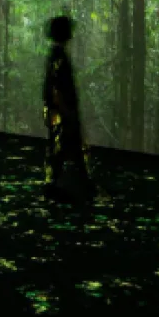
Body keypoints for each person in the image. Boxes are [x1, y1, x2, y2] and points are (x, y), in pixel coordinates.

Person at [42, 15, 95, 203]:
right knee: (61, 146)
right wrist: (66, 111)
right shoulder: (58, 56)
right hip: (60, 112)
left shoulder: (56, 54)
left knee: (62, 146)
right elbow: (56, 87)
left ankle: (65, 184)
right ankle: (57, 185)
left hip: (58, 111)